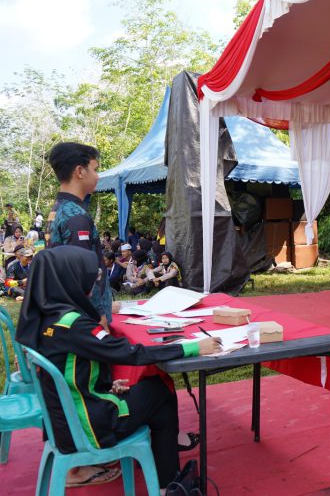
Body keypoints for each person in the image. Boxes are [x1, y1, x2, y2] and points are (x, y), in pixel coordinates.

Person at [14, 246, 222, 490]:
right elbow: (130, 353)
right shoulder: (74, 325)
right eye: (88, 278)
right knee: (161, 391)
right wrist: (192, 348)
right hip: (87, 426)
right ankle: (168, 484)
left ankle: (165, 477)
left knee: (153, 392)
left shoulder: (45, 317)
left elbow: (68, 368)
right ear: (69, 279)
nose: (92, 285)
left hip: (63, 422)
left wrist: (104, 385)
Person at [46, 142, 113, 330]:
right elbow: (84, 275)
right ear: (80, 171)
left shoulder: (57, 209)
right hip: (85, 318)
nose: (98, 176)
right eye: (95, 169)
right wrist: (99, 315)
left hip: (66, 310)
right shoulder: (76, 216)